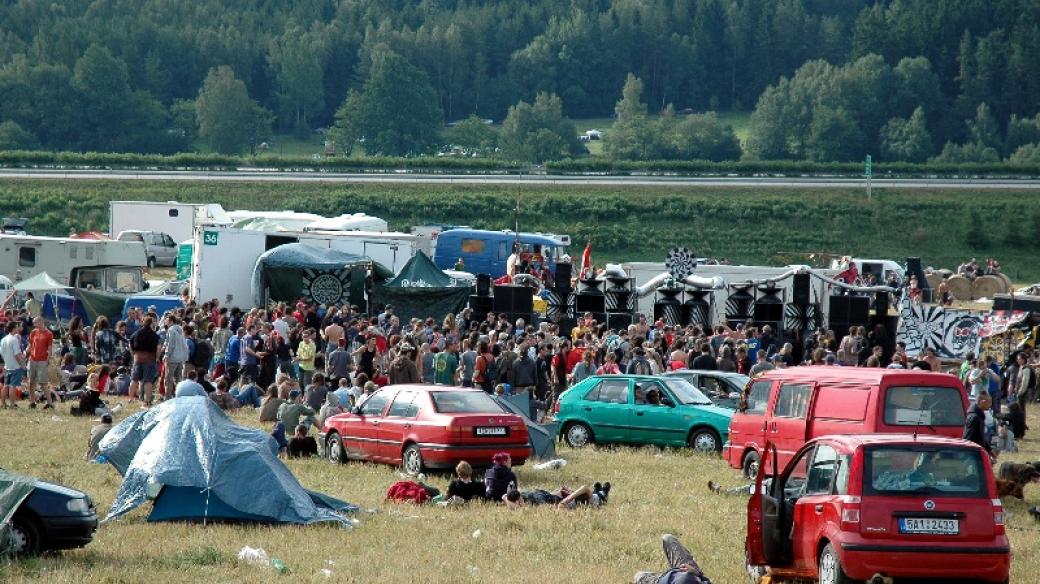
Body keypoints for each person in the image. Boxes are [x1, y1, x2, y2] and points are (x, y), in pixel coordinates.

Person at [634, 534, 713, 584]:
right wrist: (697, 572)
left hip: (661, 580)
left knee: (639, 575)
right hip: (688, 570)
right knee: (668, 538)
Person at [26, 317, 54, 409]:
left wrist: (48, 359)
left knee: (43, 382)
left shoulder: (49, 333)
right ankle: (32, 402)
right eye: (34, 323)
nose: (34, 325)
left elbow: (49, 348)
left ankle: (50, 403)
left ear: (41, 322)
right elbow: (30, 345)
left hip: (42, 360)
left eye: (35, 322)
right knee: (31, 382)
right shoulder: (34, 331)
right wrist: (25, 354)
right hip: (32, 359)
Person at [1, 321, 26, 408]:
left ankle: (3, 403)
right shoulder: (14, 339)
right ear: (13, 328)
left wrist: (7, 361)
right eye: (16, 327)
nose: (17, 328)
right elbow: (17, 354)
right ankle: (12, 405)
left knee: (6, 385)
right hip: (15, 366)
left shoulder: (3, 339)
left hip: (7, 365)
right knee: (13, 386)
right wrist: (22, 364)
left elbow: (2, 353)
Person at [963, 392, 995, 460]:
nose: (991, 405)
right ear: (982, 402)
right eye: (989, 402)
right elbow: (968, 439)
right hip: (972, 456)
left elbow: (980, 437)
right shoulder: (975, 418)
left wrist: (989, 450)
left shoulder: (979, 416)